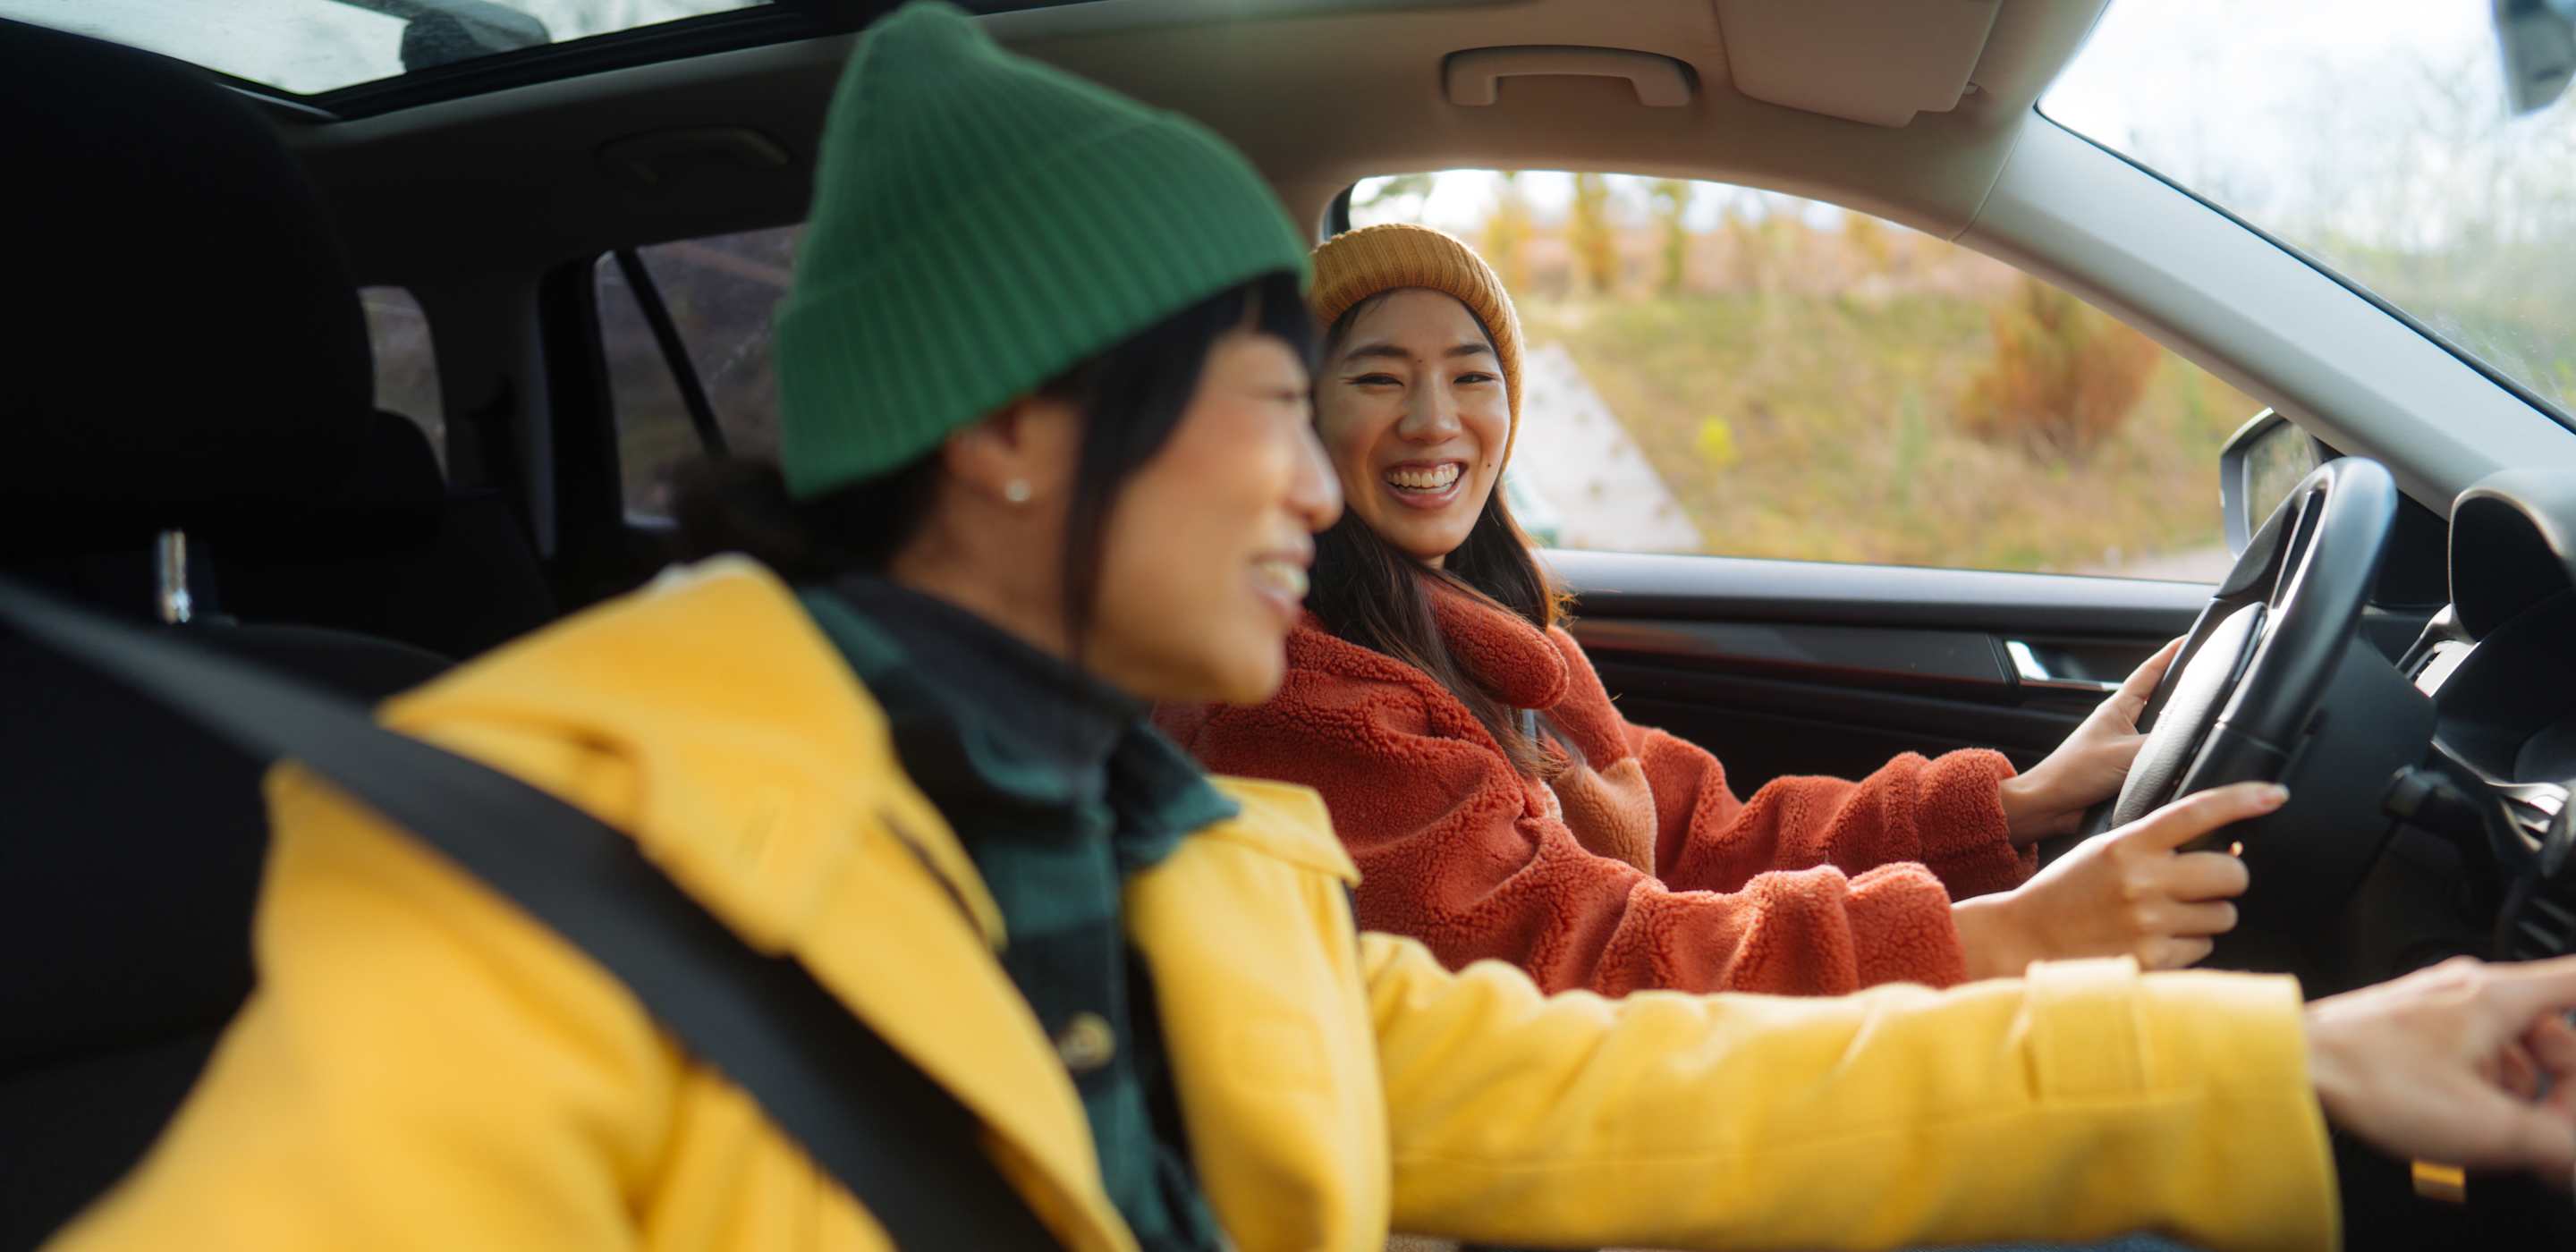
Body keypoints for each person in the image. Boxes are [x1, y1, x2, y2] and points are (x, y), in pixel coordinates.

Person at [50, 6, 2576, 1251]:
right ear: (1013, 440)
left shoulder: (1192, 862)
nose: (1327, 473)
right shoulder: (553, 883)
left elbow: (1628, 1097)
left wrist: (2315, 1064)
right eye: (1253, 398)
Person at [1161, 224, 2239, 996]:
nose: (1435, 420)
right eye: (1379, 378)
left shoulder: (1492, 641)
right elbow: (1582, 956)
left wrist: (2010, 806)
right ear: (1298, 420)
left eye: (1472, 375)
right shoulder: (1298, 696)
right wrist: (1989, 934)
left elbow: (1700, 833)